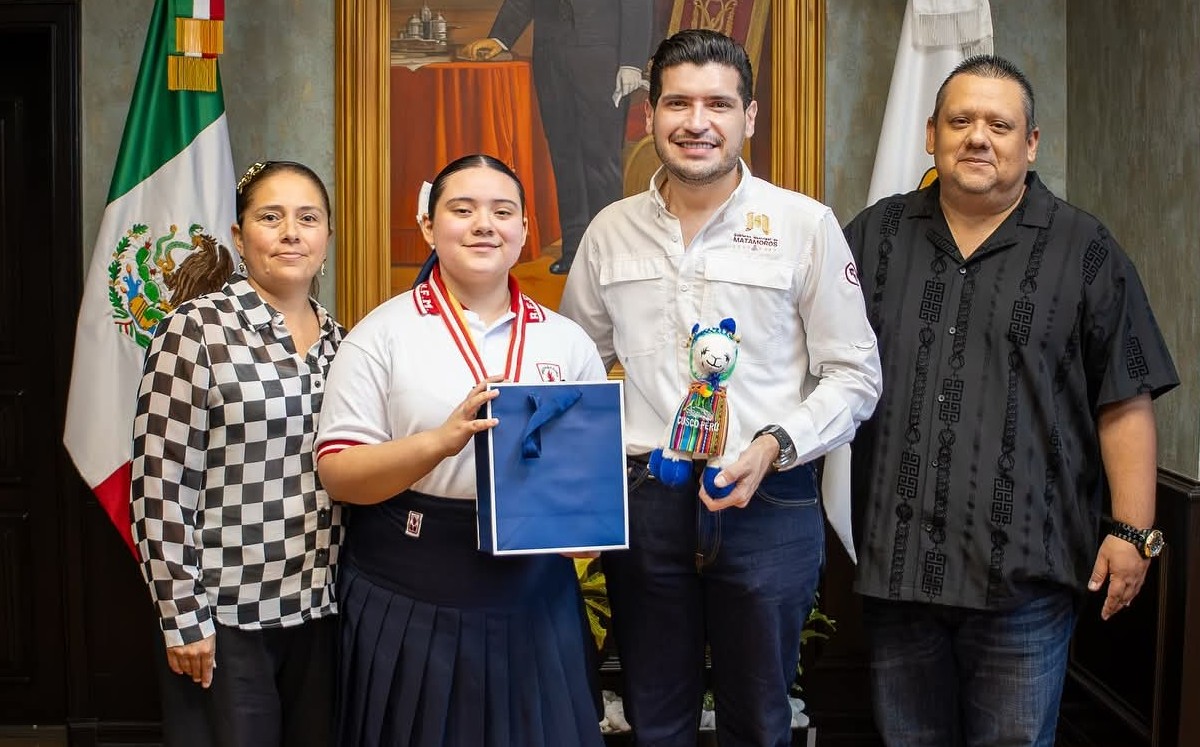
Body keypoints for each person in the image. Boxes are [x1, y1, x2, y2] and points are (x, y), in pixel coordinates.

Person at [843, 55, 1180, 746]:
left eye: (1000, 124)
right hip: (898, 567)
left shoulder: (1086, 249)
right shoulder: (872, 236)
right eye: (960, 121)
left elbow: (1125, 393)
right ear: (930, 132)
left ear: (1030, 143)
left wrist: (1133, 531)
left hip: (1027, 575)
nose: (978, 137)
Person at [559, 29, 883, 746]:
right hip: (647, 502)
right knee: (656, 718)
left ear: (749, 117)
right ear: (649, 115)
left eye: (717, 103)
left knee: (761, 719)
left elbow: (856, 374)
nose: (695, 121)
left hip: (769, 501)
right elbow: (573, 366)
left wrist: (773, 444)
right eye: (677, 102)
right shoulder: (609, 233)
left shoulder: (805, 226)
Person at [315, 154, 607, 747]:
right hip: (410, 587)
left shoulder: (566, 340)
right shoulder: (382, 333)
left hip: (533, 595)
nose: (483, 225)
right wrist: (439, 443)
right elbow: (339, 476)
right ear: (428, 226)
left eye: (502, 212)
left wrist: (585, 526)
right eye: (462, 209)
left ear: (524, 231)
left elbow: (580, 481)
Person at [131, 160, 345, 747]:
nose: (291, 233)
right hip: (225, 620)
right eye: (270, 217)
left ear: (327, 236)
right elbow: (159, 483)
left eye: (308, 218)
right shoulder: (195, 331)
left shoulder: (342, 343)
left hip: (320, 612)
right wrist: (182, 618)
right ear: (238, 235)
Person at [460, 0, 652, 274]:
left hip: (602, 61)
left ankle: (609, 252)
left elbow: (637, 6)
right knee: (564, 157)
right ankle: (574, 250)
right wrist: (500, 38)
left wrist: (632, 62)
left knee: (602, 160)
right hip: (549, 57)